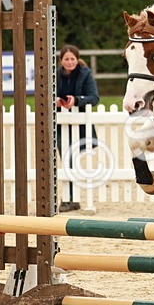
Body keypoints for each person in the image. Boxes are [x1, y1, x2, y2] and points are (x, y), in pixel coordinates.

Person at [56, 45, 99, 212]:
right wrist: (56, 101)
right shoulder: (56, 74)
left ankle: (70, 199)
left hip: (80, 124)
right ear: (61, 61)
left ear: (77, 59)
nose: (69, 62)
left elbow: (94, 98)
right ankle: (69, 199)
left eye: (72, 59)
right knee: (67, 160)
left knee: (72, 160)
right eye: (66, 59)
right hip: (61, 124)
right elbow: (46, 93)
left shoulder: (85, 73)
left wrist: (77, 100)